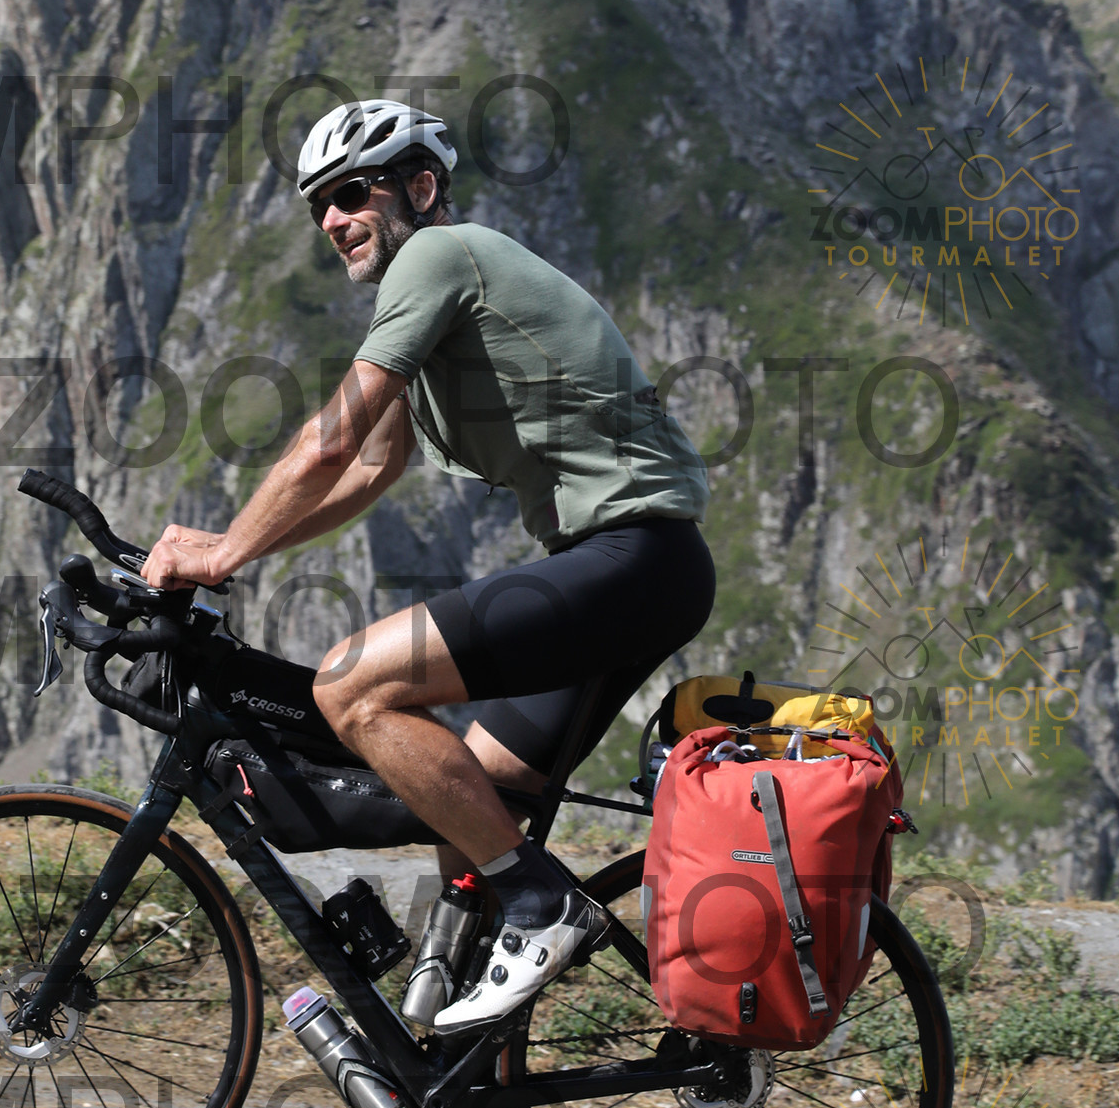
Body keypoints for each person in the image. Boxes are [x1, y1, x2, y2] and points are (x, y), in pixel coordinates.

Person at [142, 98, 714, 1028]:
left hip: (632, 558)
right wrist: (240, 549)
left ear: (419, 186)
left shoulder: (440, 256)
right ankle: (454, 1049)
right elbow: (370, 468)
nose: (332, 219)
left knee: (351, 687)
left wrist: (224, 551)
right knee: (468, 790)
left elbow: (330, 441)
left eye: (351, 194)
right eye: (318, 205)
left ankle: (543, 908)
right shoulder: (435, 295)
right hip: (636, 571)